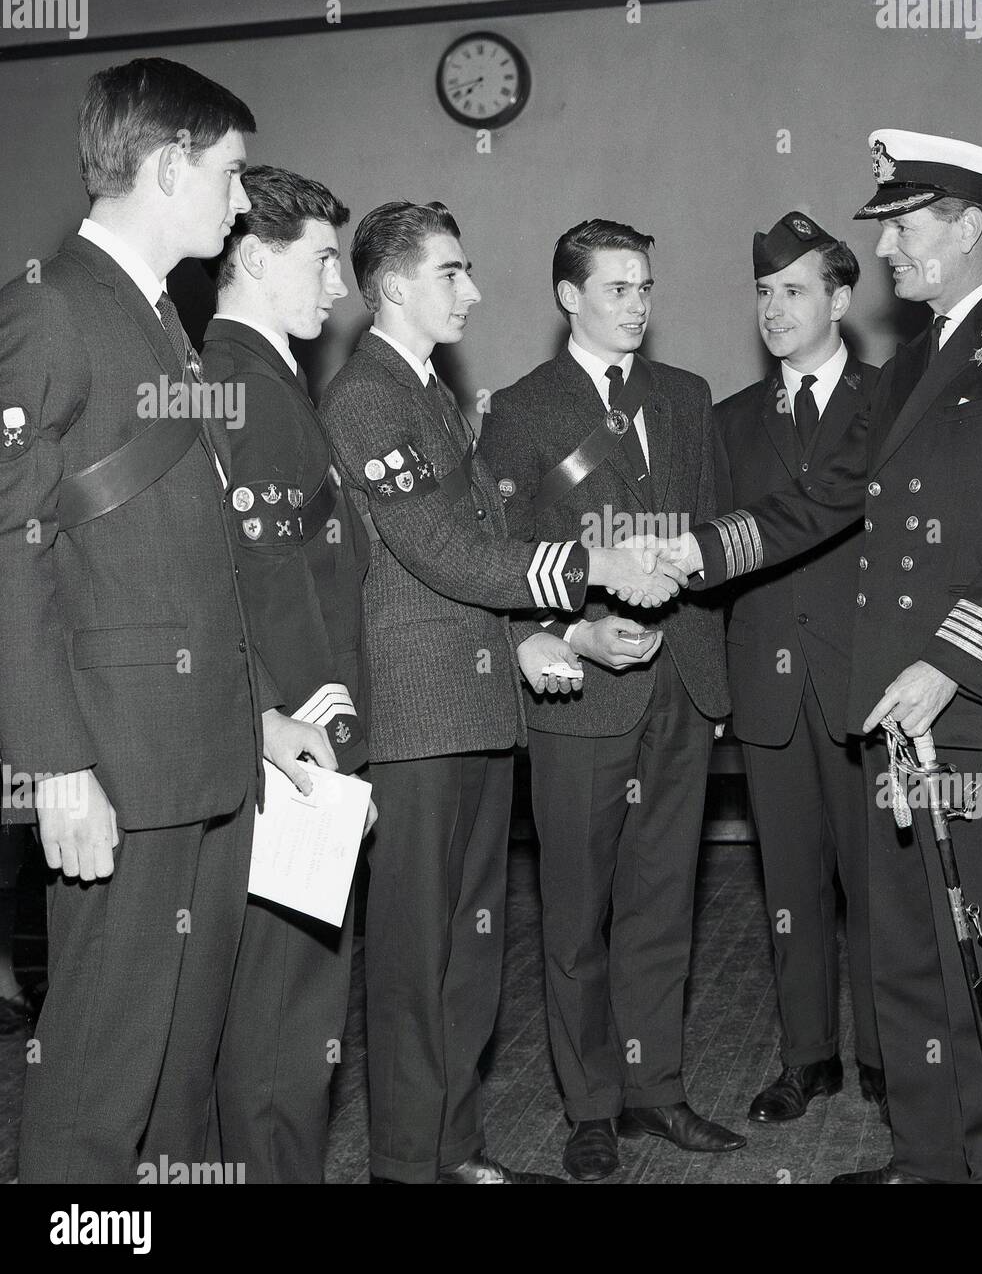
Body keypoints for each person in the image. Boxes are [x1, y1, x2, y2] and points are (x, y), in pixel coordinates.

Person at [668, 131, 982, 1184]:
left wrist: (951, 662)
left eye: (902, 229)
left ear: (961, 226)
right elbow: (816, 501)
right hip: (892, 713)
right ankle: (927, 1156)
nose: (890, 252)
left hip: (977, 709)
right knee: (908, 953)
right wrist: (690, 551)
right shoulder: (906, 364)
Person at [0, 58, 331, 1182]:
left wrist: (259, 719)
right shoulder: (52, 305)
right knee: (98, 1084)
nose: (242, 202)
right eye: (232, 174)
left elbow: (188, 560)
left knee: (179, 1077)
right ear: (168, 162)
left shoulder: (157, 319)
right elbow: (12, 545)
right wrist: (53, 766)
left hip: (203, 756)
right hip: (119, 768)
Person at [319, 200, 685, 1185]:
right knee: (412, 961)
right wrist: (589, 566)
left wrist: (530, 639)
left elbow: (474, 553)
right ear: (393, 285)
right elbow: (442, 548)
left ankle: (451, 1149)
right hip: (415, 717)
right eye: (452, 273)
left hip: (473, 709)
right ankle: (406, 1164)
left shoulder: (430, 392)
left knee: (466, 953)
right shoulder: (367, 398)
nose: (473, 291)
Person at [478, 219, 742, 1183]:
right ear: (568, 296)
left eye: (645, 287)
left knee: (664, 903)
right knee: (576, 910)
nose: (638, 304)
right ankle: (588, 1105)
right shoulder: (519, 408)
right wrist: (570, 628)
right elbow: (500, 555)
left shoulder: (685, 396)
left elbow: (713, 531)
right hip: (579, 687)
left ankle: (655, 1091)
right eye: (618, 288)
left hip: (680, 680)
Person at [201, 165, 375, 1182]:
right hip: (294, 750)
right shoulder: (252, 390)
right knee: (283, 1025)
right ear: (255, 258)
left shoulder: (249, 377)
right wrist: (330, 748)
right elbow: (269, 591)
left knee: (272, 1019)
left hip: (276, 734)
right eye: (319, 259)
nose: (337, 286)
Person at [714, 212, 883, 1126]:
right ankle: (807, 1057)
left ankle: (894, 1060)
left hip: (868, 687)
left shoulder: (892, 401)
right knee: (789, 887)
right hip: (768, 691)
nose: (774, 309)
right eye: (764, 293)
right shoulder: (727, 423)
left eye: (794, 290)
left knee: (878, 883)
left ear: (840, 299)